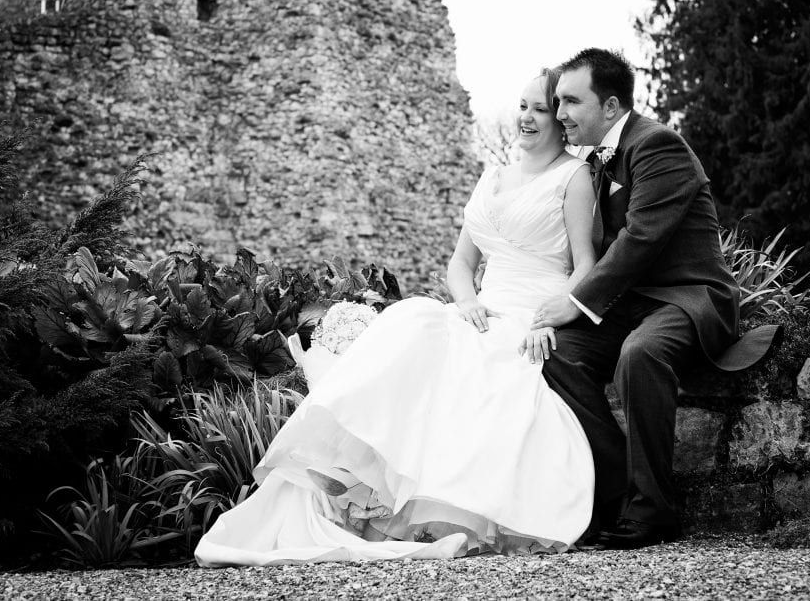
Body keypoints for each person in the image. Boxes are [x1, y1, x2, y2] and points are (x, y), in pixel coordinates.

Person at [195, 68, 598, 565]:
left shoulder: (574, 178)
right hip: (477, 308)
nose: (528, 117)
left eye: (541, 108)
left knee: (479, 377)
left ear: (560, 119)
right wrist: (466, 299)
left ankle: (443, 510)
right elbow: (460, 264)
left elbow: (586, 267)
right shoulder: (493, 175)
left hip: (527, 313)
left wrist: (546, 321)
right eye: (523, 106)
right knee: (410, 328)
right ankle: (356, 491)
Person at [532, 48, 777, 549]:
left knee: (641, 353)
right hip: (632, 304)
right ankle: (619, 486)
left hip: (688, 299)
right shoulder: (595, 161)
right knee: (559, 355)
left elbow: (641, 239)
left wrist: (576, 302)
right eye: (556, 101)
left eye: (572, 101)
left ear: (611, 105)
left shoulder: (658, 145)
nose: (559, 114)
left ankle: (655, 512)